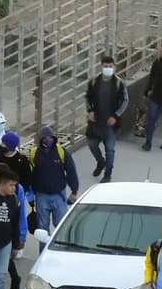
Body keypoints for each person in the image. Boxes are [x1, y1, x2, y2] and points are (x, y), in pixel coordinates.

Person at [85, 53, 129, 183]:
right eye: (106, 66)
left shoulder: (119, 83)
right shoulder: (94, 82)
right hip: (96, 122)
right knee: (92, 144)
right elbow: (87, 97)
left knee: (109, 150)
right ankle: (100, 162)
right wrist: (90, 111)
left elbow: (125, 100)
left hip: (111, 124)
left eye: (110, 66)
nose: (108, 68)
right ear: (101, 66)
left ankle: (108, 174)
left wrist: (116, 115)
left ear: (114, 66)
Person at [29, 126, 78, 237]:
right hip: (41, 196)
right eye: (45, 138)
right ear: (40, 139)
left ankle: (60, 248)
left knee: (61, 227)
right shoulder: (34, 153)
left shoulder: (61, 152)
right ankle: (44, 248)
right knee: (42, 229)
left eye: (51, 138)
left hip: (59, 195)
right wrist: (30, 193)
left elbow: (71, 170)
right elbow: (30, 174)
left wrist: (74, 191)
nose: (48, 140)